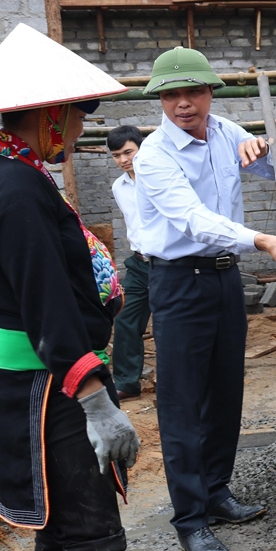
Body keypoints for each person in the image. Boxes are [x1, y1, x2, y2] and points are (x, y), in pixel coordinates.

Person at [0, 23, 140, 551]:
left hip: (33, 379)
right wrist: (94, 401)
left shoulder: (5, 171)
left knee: (57, 530)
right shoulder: (14, 187)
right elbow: (46, 300)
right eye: (78, 117)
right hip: (51, 385)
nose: (81, 129)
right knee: (94, 538)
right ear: (49, 114)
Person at [133, 47, 276, 551]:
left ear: (210, 92)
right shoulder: (153, 156)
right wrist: (261, 239)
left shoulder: (227, 132)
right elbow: (193, 220)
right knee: (183, 401)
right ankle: (190, 517)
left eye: (193, 92)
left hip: (225, 280)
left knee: (226, 391)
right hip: (178, 282)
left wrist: (264, 146)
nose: (183, 103)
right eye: (171, 95)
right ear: (161, 100)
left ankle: (217, 491)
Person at [108, 126, 151, 402]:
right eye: (116, 155)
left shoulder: (159, 178)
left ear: (140, 148)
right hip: (138, 263)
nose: (123, 160)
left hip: (169, 262)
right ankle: (127, 382)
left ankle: (179, 379)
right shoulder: (119, 186)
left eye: (128, 152)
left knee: (170, 321)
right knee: (124, 318)